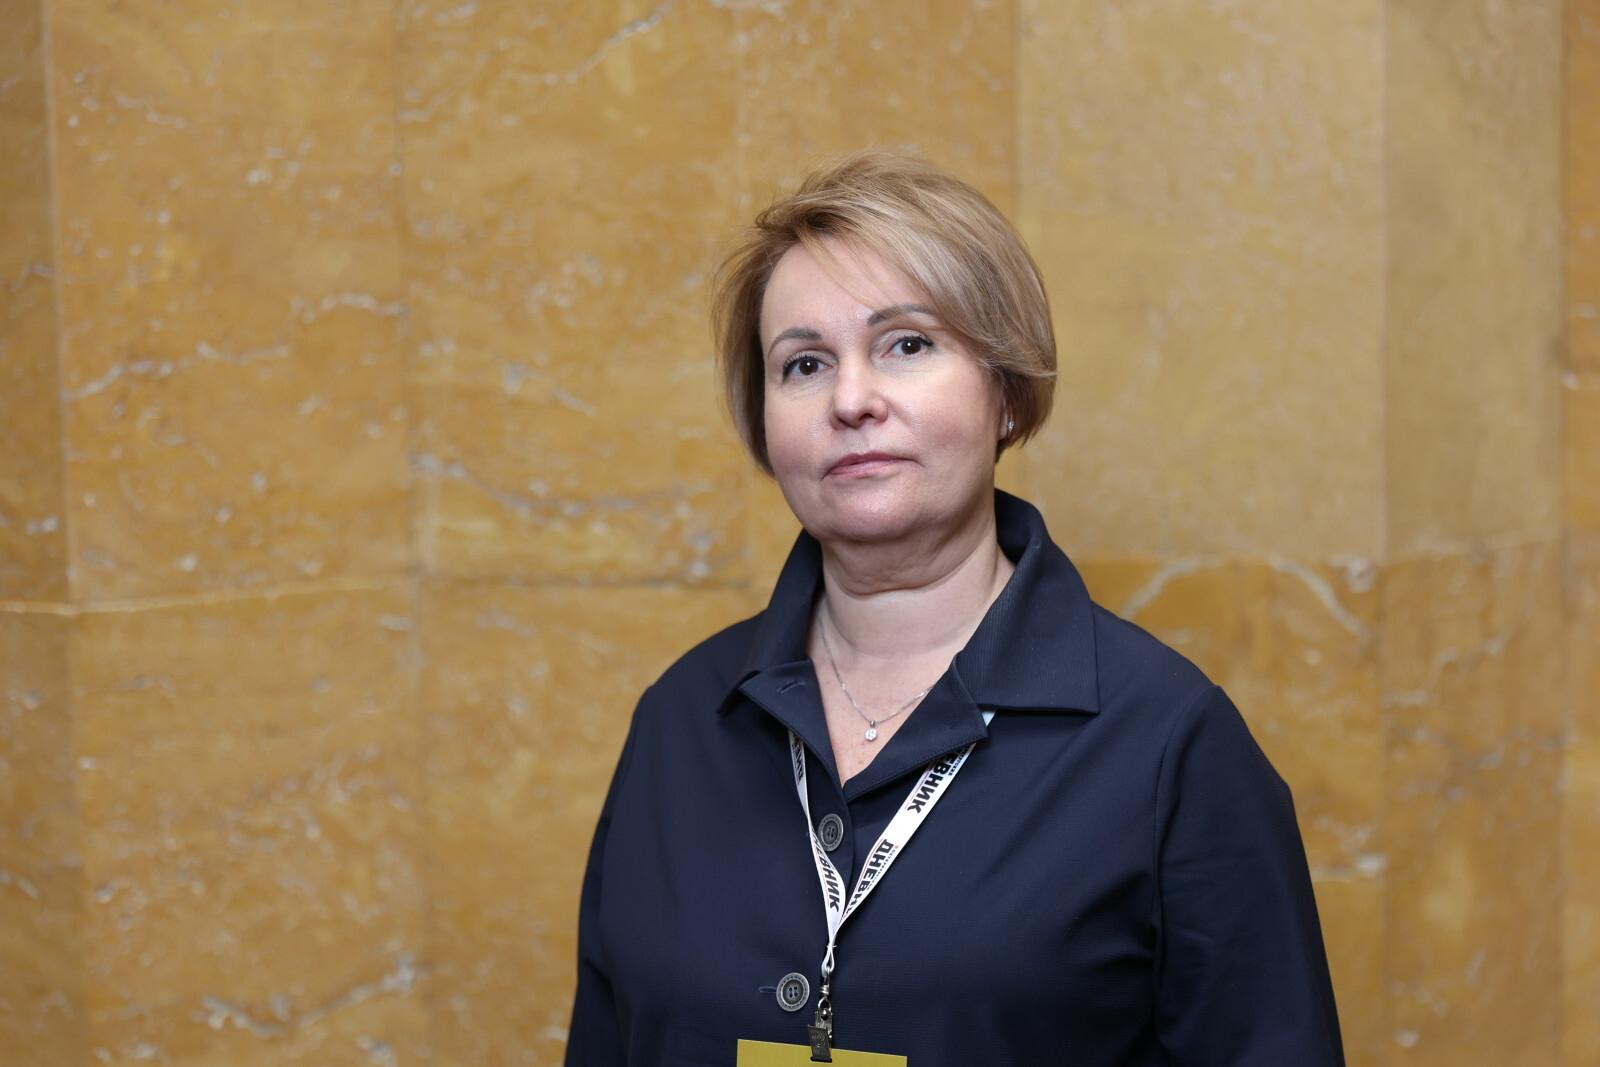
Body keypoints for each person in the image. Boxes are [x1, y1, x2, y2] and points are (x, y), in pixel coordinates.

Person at [564, 150, 1344, 1066]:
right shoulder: (681, 718)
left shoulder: (1169, 743)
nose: (851, 400)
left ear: (1005, 393)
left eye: (907, 345)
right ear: (766, 424)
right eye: (804, 364)